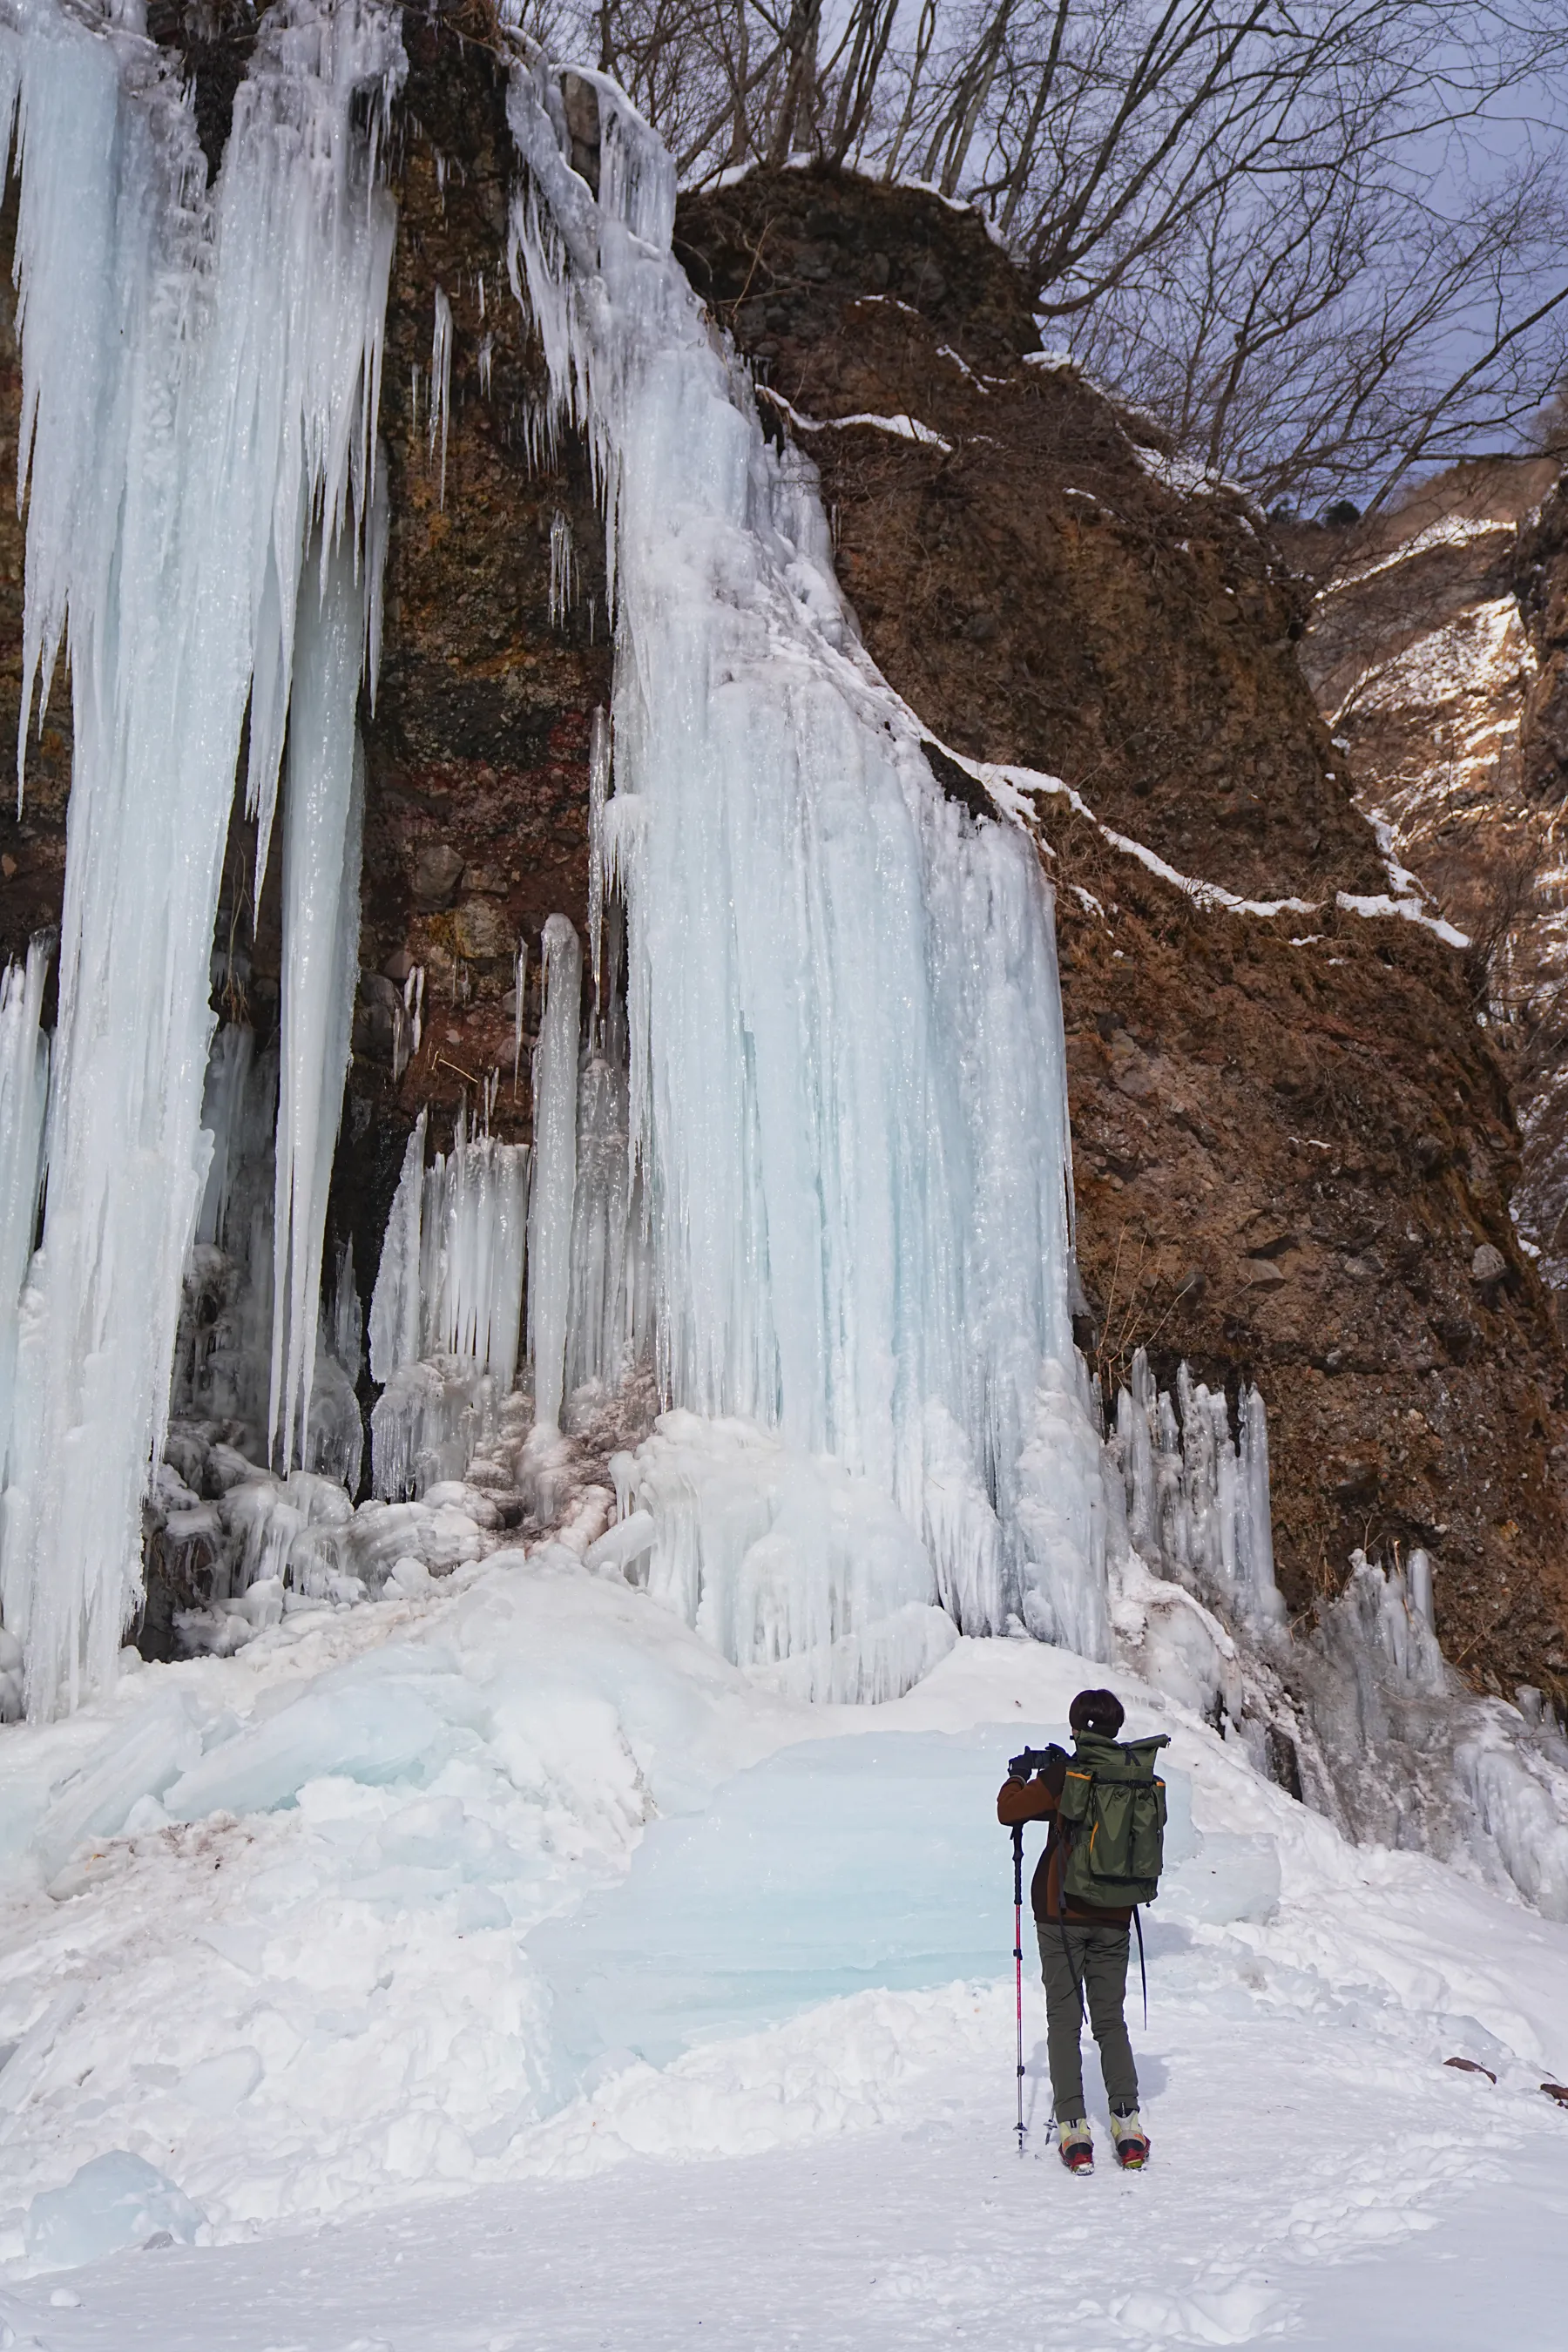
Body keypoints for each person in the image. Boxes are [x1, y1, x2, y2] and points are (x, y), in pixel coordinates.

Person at [997, 1686, 1151, 2173]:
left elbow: (1009, 1811)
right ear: (1116, 1728)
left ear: (1075, 1726)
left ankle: (1074, 2132)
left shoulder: (1066, 1776)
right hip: (1115, 1917)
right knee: (1110, 2021)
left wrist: (1020, 1776)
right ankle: (1128, 2126)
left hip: (1060, 1917)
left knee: (1064, 2021)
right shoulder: (1131, 1774)